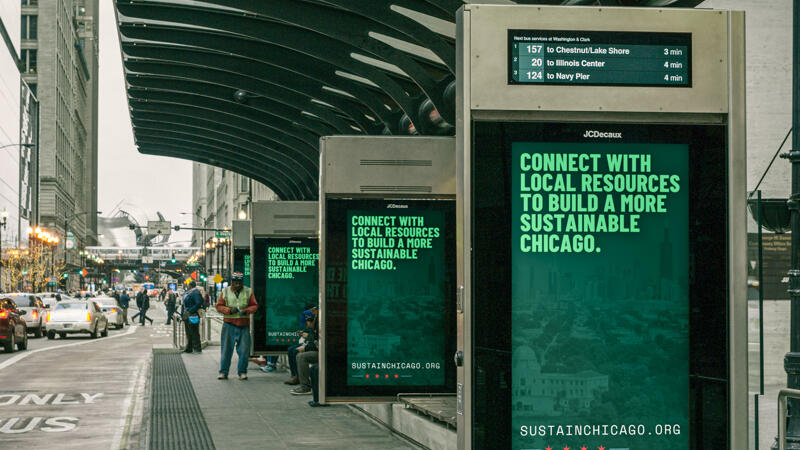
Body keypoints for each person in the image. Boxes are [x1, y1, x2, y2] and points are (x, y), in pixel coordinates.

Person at [215, 272, 257, 380]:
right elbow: (219, 306)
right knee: (226, 350)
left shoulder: (248, 291)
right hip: (229, 324)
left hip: (243, 325)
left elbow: (254, 306)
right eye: (235, 282)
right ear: (231, 282)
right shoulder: (225, 291)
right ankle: (223, 372)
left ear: (242, 282)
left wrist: (247, 311)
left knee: (244, 351)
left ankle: (242, 372)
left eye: (239, 282)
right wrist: (229, 310)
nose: (237, 285)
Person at [290, 309, 318, 395]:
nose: (307, 325)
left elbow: (318, 343)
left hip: (323, 352)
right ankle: (297, 377)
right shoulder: (315, 327)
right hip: (317, 350)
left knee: (301, 356)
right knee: (294, 351)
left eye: (307, 323)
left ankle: (305, 386)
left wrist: (305, 348)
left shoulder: (319, 326)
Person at [182, 281, 204, 354]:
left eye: (188, 285)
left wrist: (190, 310)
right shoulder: (189, 292)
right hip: (187, 314)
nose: (187, 286)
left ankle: (197, 349)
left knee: (194, 332)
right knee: (189, 332)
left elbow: (199, 303)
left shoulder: (195, 292)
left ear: (191, 286)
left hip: (193, 314)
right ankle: (189, 348)